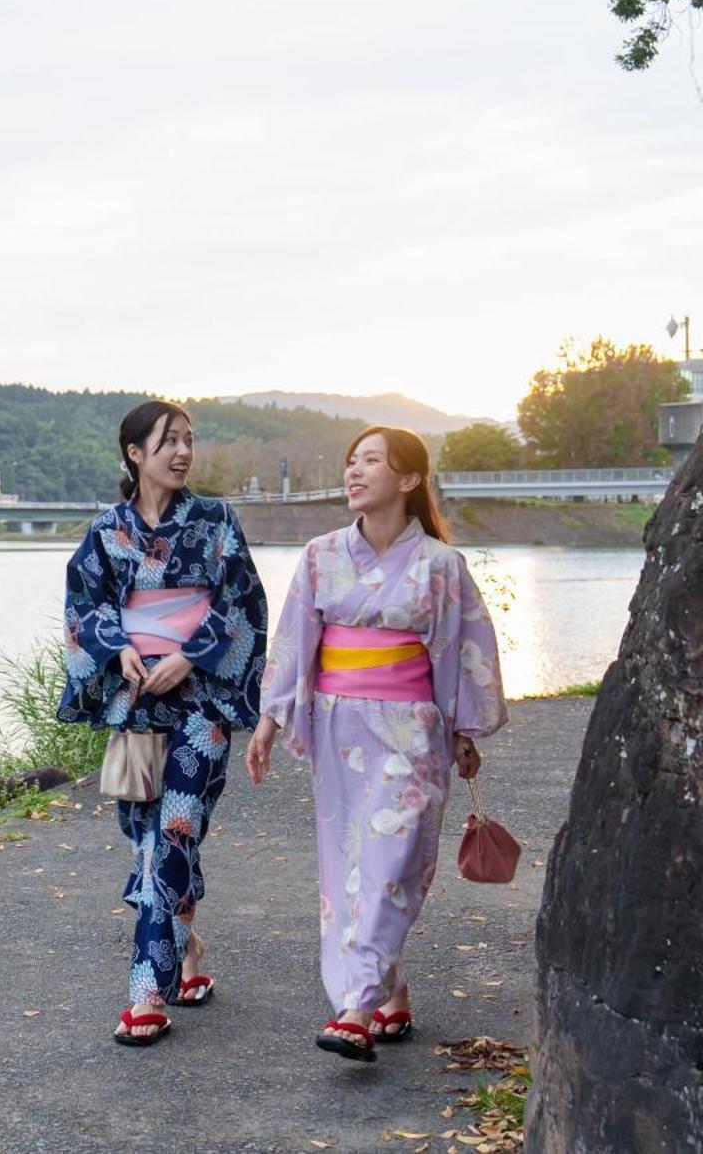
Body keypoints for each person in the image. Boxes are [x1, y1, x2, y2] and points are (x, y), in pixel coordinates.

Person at [244, 425, 507, 1062]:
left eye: (371, 461)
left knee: (392, 863)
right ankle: (389, 987)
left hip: (410, 728)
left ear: (410, 479)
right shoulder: (319, 556)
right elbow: (292, 641)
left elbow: (470, 648)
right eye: (350, 462)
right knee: (350, 868)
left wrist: (464, 728)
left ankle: (356, 1005)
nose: (354, 472)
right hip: (338, 724)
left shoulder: (442, 566)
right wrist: (270, 720)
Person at [58, 400, 267, 1047]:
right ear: (134, 453)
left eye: (188, 440)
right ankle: (189, 946)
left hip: (200, 695)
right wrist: (118, 646)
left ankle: (146, 991)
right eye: (167, 440)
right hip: (136, 697)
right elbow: (84, 601)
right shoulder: (107, 528)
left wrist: (188, 654)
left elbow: (241, 598)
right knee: (148, 840)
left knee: (176, 828)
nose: (182, 451)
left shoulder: (214, 520)